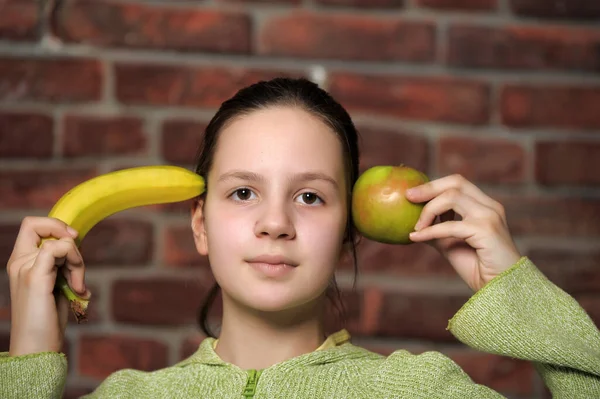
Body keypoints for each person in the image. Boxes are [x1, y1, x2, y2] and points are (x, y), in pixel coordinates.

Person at [1, 77, 599, 398]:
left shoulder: (419, 392)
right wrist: (30, 354)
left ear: (348, 232)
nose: (275, 222)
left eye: (310, 196)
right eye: (242, 192)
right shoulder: (127, 398)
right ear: (200, 224)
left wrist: (518, 295)